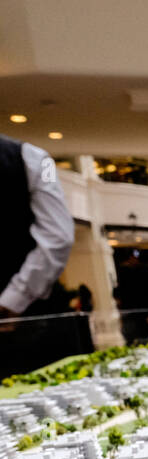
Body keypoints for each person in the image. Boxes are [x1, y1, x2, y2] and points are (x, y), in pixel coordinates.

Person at [0, 133, 74, 320]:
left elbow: (58, 237)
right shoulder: (37, 158)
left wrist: (13, 300)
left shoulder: (39, 160)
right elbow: (59, 236)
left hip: (28, 319)